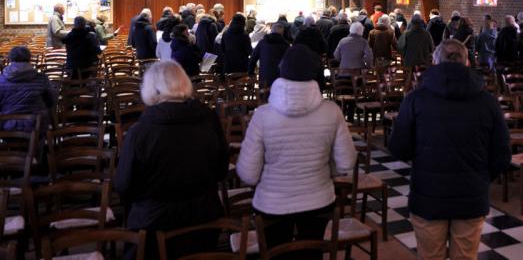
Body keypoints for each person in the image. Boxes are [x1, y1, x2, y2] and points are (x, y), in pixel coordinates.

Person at [389, 40, 511, 260]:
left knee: (430, 256)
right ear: (467, 62)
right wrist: (481, 177)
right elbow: (502, 155)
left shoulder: (415, 99)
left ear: (435, 62)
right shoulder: (488, 102)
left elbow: (399, 148)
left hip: (429, 194)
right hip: (471, 194)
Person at [236, 45, 356, 258]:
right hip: (318, 199)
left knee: (276, 254)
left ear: (281, 71)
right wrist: (326, 168)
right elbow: (346, 162)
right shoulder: (332, 111)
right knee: (311, 254)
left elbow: (248, 174)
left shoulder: (263, 115)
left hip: (272, 204)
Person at [114, 61, 228, 259]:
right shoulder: (209, 119)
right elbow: (221, 170)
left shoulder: (140, 132)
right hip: (204, 217)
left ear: (152, 89)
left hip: (154, 222)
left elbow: (124, 185)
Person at [0, 46, 56, 135]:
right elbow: (51, 101)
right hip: (36, 126)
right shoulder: (41, 78)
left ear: (10, 59)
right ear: (29, 58)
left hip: (6, 126)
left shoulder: (1, 80)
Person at [249, 24, 290, 88]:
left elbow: (253, 58)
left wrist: (250, 73)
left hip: (264, 77)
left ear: (271, 31)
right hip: (280, 79)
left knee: (264, 93)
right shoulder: (286, 45)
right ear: (282, 33)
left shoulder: (262, 42)